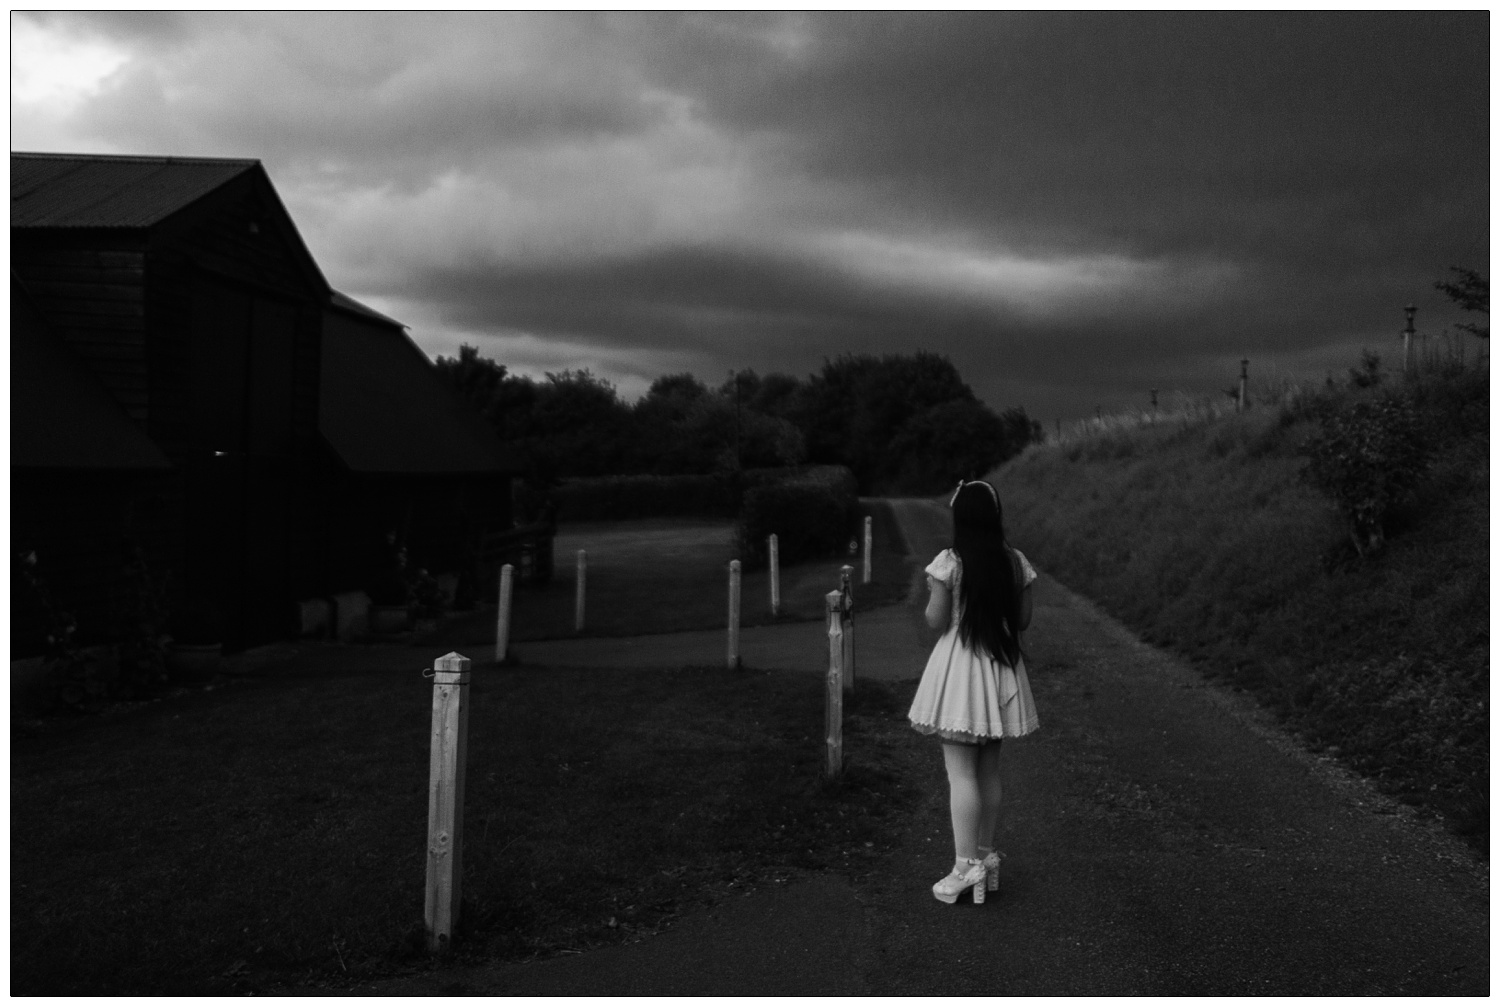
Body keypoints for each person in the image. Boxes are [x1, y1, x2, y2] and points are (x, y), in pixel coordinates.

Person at [908, 478, 1038, 905]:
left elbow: (935, 621)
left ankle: (965, 867)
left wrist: (935, 591)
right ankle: (985, 855)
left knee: (960, 773)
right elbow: (1021, 621)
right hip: (1000, 669)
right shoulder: (1015, 563)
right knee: (988, 771)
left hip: (962, 674)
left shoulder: (950, 562)